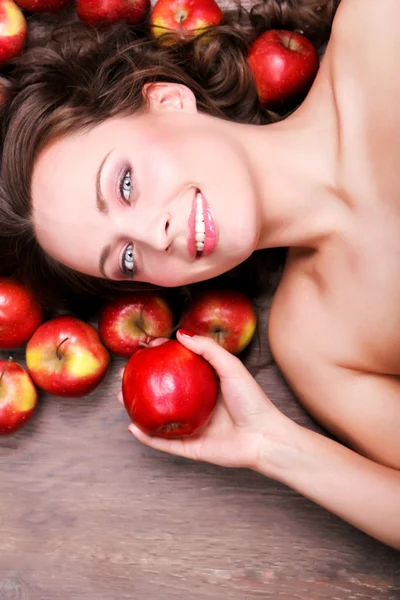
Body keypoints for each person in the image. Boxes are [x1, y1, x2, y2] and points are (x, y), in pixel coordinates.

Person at [0, 0, 399, 549]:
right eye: (127, 259)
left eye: (124, 185)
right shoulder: (319, 346)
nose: (153, 235)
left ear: (166, 100)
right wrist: (273, 449)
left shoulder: (382, 29)